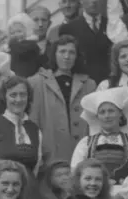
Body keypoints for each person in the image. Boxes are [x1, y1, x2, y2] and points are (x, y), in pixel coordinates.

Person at [71, 87, 128, 199]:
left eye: (111, 111)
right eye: (102, 112)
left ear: (120, 114)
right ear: (97, 116)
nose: (107, 115)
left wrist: (121, 197)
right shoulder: (86, 143)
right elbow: (76, 172)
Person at [29, 34, 96, 166]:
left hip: (82, 152)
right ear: (54, 54)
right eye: (62, 51)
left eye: (71, 52)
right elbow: (33, 120)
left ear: (77, 56)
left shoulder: (89, 84)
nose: (67, 56)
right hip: (49, 153)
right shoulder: (37, 82)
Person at [57, 0, 111, 82]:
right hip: (81, 84)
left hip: (107, 84)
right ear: (81, 0)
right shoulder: (69, 28)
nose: (94, 0)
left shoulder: (112, 25)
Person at [6, 13, 43, 78]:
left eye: (19, 31)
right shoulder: (13, 46)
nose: (16, 35)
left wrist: (11, 43)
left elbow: (21, 50)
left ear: (27, 31)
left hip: (29, 77)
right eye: (12, 33)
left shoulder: (31, 44)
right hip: (14, 78)